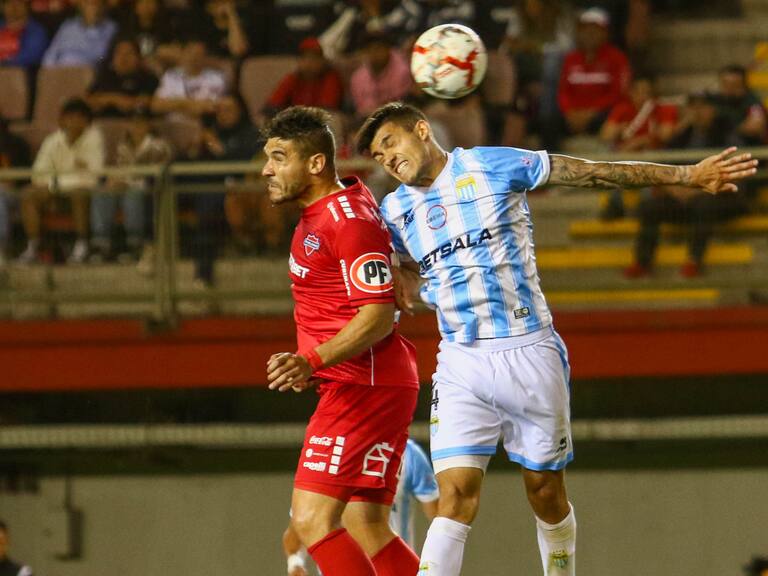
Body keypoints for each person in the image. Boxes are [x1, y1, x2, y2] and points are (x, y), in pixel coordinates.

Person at [355, 101, 757, 576]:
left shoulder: (490, 165)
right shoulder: (395, 209)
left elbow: (587, 171)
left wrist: (686, 177)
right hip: (460, 358)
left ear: (422, 130)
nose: (387, 159)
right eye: (379, 156)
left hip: (529, 349)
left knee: (544, 491)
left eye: (390, 143)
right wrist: (405, 280)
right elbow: (404, 265)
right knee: (455, 496)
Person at [263, 105, 421, 576]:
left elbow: (377, 315)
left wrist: (313, 359)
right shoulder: (332, 211)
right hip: (374, 382)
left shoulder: (345, 222)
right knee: (366, 521)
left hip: (361, 386)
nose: (266, 170)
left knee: (312, 520)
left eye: (278, 157)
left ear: (315, 164)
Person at [624, 92, 754, 279]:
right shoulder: (682, 137)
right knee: (649, 207)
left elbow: (733, 173)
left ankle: (694, 260)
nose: (698, 112)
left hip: (724, 199)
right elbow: (662, 168)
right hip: (685, 198)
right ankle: (642, 262)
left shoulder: (728, 134)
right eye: (694, 108)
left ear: (713, 110)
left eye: (703, 107)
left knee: (704, 204)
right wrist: (674, 189)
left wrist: (694, 191)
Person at [282, 438, 439, 575]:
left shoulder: (409, 454)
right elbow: (298, 528)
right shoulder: (328, 455)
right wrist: (295, 563)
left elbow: (439, 515)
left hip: (391, 568)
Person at [19, 97, 104, 264]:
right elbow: (38, 173)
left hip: (81, 190)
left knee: (79, 193)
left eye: (79, 117)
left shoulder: (95, 138)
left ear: (87, 121)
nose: (74, 122)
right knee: (28, 194)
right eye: (70, 117)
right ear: (62, 119)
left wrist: (58, 182)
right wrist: (57, 184)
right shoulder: (52, 140)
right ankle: (34, 246)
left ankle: (82, 245)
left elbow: (94, 175)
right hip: (55, 188)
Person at [90, 107, 170, 263]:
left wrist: (129, 181)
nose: (137, 127)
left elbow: (158, 174)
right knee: (102, 191)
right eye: (133, 123)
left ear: (149, 125)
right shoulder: (123, 146)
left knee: (133, 195)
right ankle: (101, 244)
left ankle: (135, 245)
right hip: (125, 186)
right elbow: (120, 169)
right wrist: (113, 180)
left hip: (150, 190)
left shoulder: (159, 145)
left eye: (141, 123)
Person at [544, 6, 631, 150]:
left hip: (601, 113)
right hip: (573, 114)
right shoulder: (571, 59)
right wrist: (570, 112)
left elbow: (618, 93)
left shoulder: (617, 58)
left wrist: (590, 113)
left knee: (615, 117)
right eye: (585, 29)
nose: (589, 33)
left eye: (595, 29)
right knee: (549, 122)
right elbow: (563, 91)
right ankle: (547, 166)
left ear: (605, 32)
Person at [151, 37, 228, 121]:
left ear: (205, 56)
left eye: (199, 54)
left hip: (203, 127)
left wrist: (174, 104)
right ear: (183, 53)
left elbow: (208, 108)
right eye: (191, 53)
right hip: (172, 127)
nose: (194, 58)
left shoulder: (216, 78)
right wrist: (184, 104)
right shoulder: (171, 75)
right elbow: (156, 106)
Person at [263, 37, 343, 117]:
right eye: (304, 57)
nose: (309, 63)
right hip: (295, 122)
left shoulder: (330, 78)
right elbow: (271, 106)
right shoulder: (293, 78)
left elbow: (327, 109)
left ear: (323, 61)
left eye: (314, 58)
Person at [86, 38, 159, 118]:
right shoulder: (104, 76)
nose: (123, 58)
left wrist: (107, 99)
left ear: (138, 58)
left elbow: (144, 103)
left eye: (129, 53)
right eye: (119, 53)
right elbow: (89, 100)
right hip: (103, 123)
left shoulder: (148, 78)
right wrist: (114, 99)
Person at [349, 31, 412, 120]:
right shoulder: (358, 77)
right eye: (370, 49)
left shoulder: (403, 71)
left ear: (387, 49)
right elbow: (361, 110)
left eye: (378, 48)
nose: (374, 53)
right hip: (369, 119)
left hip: (398, 117)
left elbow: (401, 103)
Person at [42, 0, 116, 67]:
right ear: (81, 6)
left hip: (87, 75)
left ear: (103, 6)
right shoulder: (68, 26)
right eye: (88, 3)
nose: (92, 8)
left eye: (95, 3)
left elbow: (102, 57)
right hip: (60, 74)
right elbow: (51, 54)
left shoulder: (111, 29)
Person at [716, 64, 768, 146]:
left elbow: (755, 126)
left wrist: (733, 128)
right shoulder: (717, 101)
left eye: (734, 85)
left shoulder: (752, 102)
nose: (729, 89)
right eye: (725, 84)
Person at [0, 0, 49, 68]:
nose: (14, 6)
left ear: (26, 6)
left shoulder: (36, 31)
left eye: (19, 2)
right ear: (2, 6)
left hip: (21, 74)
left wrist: (5, 62)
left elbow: (31, 57)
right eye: (9, 3)